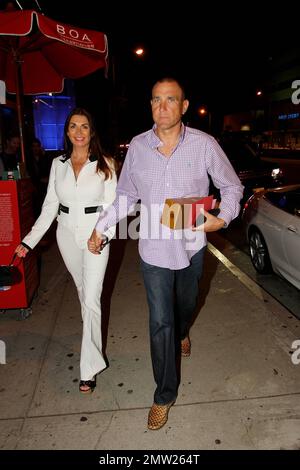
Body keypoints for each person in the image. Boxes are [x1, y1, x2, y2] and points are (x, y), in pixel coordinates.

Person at [88, 77, 244, 430]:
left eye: (170, 100)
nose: (162, 107)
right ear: (151, 105)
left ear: (184, 106)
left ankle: (184, 329)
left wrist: (223, 217)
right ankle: (164, 394)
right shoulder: (139, 147)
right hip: (154, 249)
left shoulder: (205, 145)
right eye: (156, 100)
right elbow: (126, 195)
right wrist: (102, 226)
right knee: (161, 321)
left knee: (184, 308)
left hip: (191, 247)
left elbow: (232, 185)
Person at [15, 107, 117, 394]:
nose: (79, 132)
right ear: (67, 131)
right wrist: (29, 241)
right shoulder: (57, 164)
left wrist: (102, 235)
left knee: (92, 300)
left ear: (91, 131)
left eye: (84, 126)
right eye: (74, 126)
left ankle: (89, 369)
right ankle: (92, 342)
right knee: (84, 294)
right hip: (66, 234)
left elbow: (112, 208)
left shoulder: (105, 164)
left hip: (95, 234)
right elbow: (50, 207)